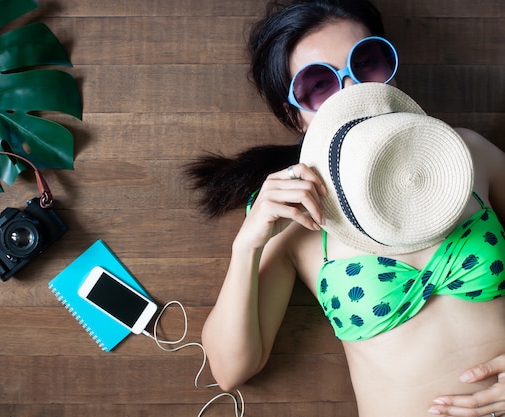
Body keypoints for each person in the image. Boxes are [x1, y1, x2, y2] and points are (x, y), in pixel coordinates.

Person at [184, 1, 505, 416]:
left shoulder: (466, 153)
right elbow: (231, 371)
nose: (354, 92)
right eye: (319, 84)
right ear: (294, 115)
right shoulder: (289, 212)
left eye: (367, 62)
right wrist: (247, 245)